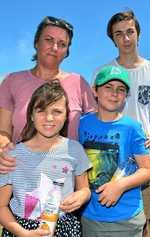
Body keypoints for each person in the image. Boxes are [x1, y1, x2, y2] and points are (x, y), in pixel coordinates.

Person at [93, 10, 150, 236]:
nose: (126, 39)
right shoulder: (102, 72)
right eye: (119, 34)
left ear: (138, 34)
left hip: (144, 157)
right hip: (110, 156)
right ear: (113, 39)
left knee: (142, 221)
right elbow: (95, 114)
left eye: (130, 32)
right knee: (107, 219)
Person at [0, 16, 96, 173]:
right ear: (36, 43)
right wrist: (2, 149)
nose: (55, 48)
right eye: (49, 40)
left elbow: (98, 125)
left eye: (62, 44)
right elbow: (3, 131)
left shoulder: (79, 83)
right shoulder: (11, 81)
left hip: (67, 178)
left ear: (66, 52)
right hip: (20, 176)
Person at [0, 81, 91, 237]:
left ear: (66, 116)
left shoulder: (75, 149)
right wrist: (22, 233)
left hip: (64, 228)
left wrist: (81, 195)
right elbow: (1, 206)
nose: (49, 118)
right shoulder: (12, 155)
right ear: (32, 115)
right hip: (21, 229)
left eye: (56, 111)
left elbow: (85, 189)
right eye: (41, 110)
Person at [79, 65, 150, 237]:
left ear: (126, 96)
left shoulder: (133, 128)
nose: (114, 93)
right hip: (90, 215)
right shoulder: (82, 124)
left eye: (121, 89)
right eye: (108, 87)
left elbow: (147, 170)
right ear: (95, 91)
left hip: (125, 219)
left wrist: (120, 186)